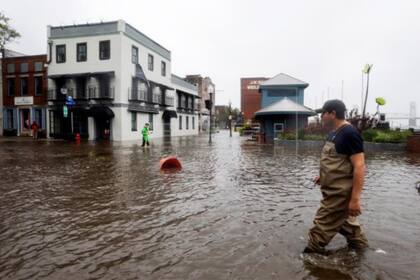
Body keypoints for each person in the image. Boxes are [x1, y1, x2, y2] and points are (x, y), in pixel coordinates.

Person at [304, 99, 368, 254]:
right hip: (331, 191)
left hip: (339, 195)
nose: (321, 117)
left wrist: (354, 200)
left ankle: (307, 261)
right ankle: (362, 254)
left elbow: (359, 167)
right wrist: (322, 176)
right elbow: (335, 162)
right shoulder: (334, 134)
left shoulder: (349, 133)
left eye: (323, 114)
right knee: (350, 229)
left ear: (332, 114)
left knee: (320, 229)